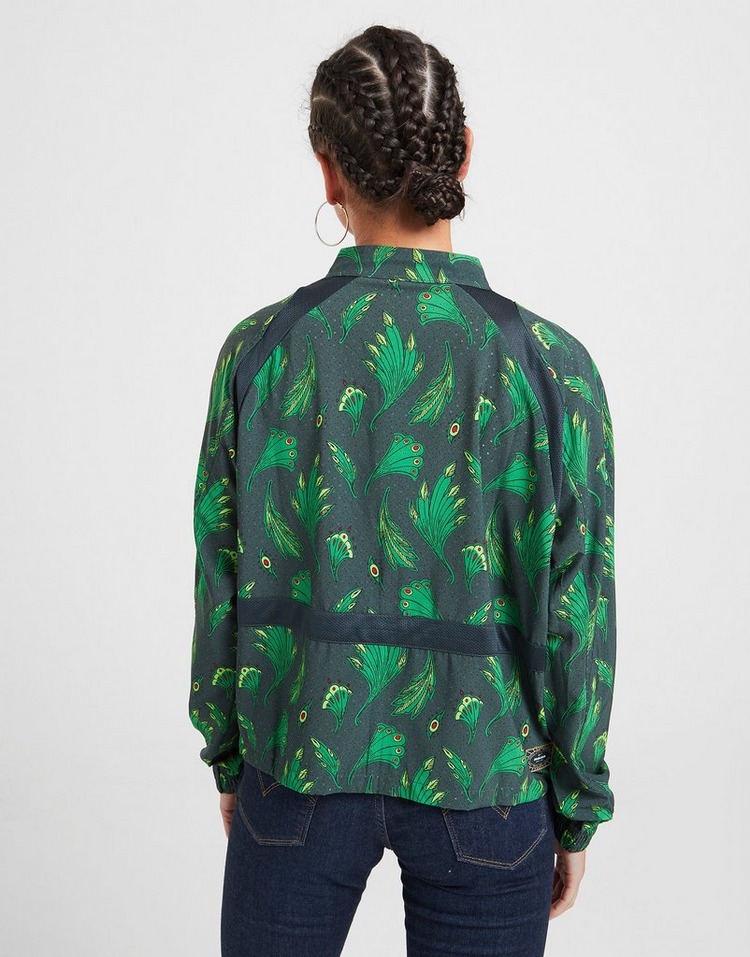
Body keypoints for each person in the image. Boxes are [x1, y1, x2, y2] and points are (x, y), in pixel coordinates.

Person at [188, 23, 616, 957]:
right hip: (488, 776)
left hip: (297, 760)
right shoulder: (552, 369)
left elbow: (220, 572)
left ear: (327, 169)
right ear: (463, 153)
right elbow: (576, 607)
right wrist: (575, 803)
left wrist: (230, 755)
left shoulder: (260, 352)